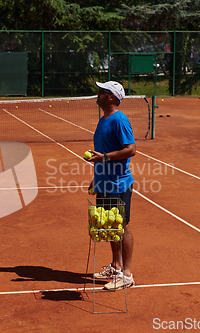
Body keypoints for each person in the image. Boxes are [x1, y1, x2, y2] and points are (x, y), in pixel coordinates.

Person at [86, 81, 136, 290]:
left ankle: (127, 274)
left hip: (118, 184)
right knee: (108, 226)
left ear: (112, 97)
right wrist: (97, 178)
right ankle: (115, 267)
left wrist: (104, 157)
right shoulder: (103, 119)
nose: (97, 94)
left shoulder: (119, 120)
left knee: (121, 226)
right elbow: (102, 154)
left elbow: (131, 149)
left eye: (102, 91)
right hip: (105, 182)